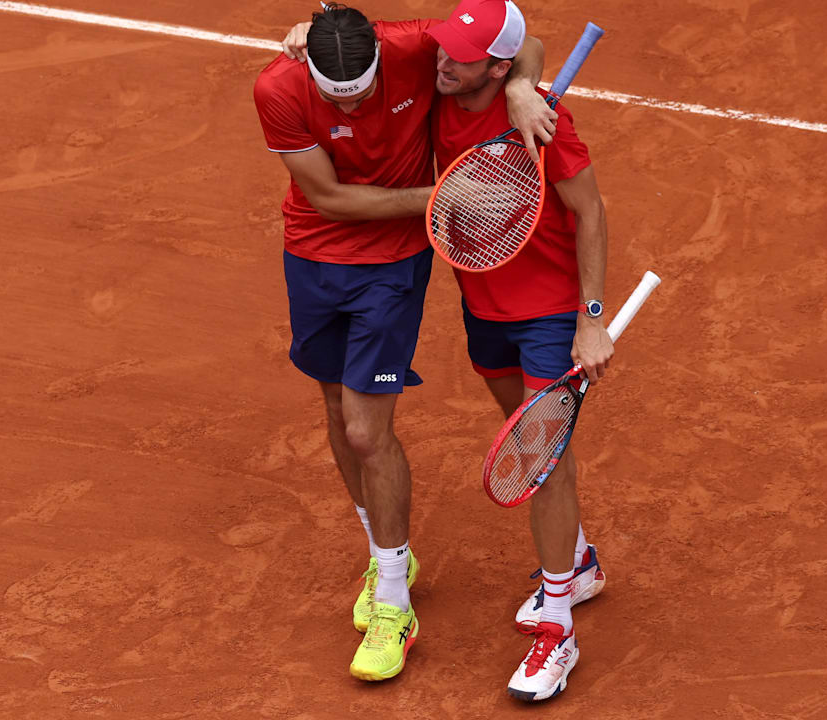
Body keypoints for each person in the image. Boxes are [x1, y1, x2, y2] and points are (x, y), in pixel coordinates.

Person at [252, 3, 555, 683]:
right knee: (334, 404)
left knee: (366, 431)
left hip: (389, 267)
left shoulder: (416, 47)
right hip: (314, 253)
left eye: (362, 87)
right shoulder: (277, 86)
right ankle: (388, 553)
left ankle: (394, 603)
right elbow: (328, 197)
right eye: (338, 96)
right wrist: (445, 197)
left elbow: (523, 42)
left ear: (379, 58)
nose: (352, 101)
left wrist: (516, 86)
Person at [428, 0, 613, 702]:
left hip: (546, 315)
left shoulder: (541, 118)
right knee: (526, 434)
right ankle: (582, 561)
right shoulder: (447, 92)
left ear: (497, 66)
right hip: (483, 306)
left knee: (540, 457)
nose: (443, 61)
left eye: (460, 55)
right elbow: (528, 42)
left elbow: (591, 210)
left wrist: (591, 319)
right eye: (443, 49)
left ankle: (557, 628)